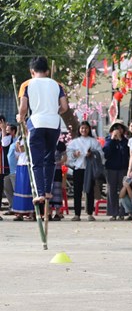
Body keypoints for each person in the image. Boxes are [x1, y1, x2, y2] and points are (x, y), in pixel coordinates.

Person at [17, 56, 69, 205]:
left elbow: (24, 108)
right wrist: (53, 112)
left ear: (32, 71)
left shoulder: (27, 84)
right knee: (50, 159)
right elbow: (64, 107)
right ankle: (47, 191)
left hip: (36, 122)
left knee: (36, 161)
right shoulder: (57, 85)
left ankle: (40, 193)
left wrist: (20, 117)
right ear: (47, 71)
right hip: (54, 123)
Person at [66, 121, 102, 221]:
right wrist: (74, 154)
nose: (84, 130)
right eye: (82, 128)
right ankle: (77, 214)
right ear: (79, 129)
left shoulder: (94, 141)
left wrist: (92, 154)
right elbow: (69, 153)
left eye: (86, 128)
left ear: (89, 129)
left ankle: (90, 213)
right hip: (78, 169)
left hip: (89, 169)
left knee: (90, 191)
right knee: (77, 192)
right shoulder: (74, 142)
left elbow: (100, 153)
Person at [102, 121, 130, 220]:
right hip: (111, 169)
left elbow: (126, 153)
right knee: (111, 190)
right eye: (115, 128)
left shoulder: (126, 141)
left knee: (123, 190)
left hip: (123, 168)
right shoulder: (108, 140)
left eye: (120, 128)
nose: (118, 130)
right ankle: (113, 213)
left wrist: (120, 140)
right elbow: (106, 153)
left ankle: (123, 212)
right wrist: (113, 140)